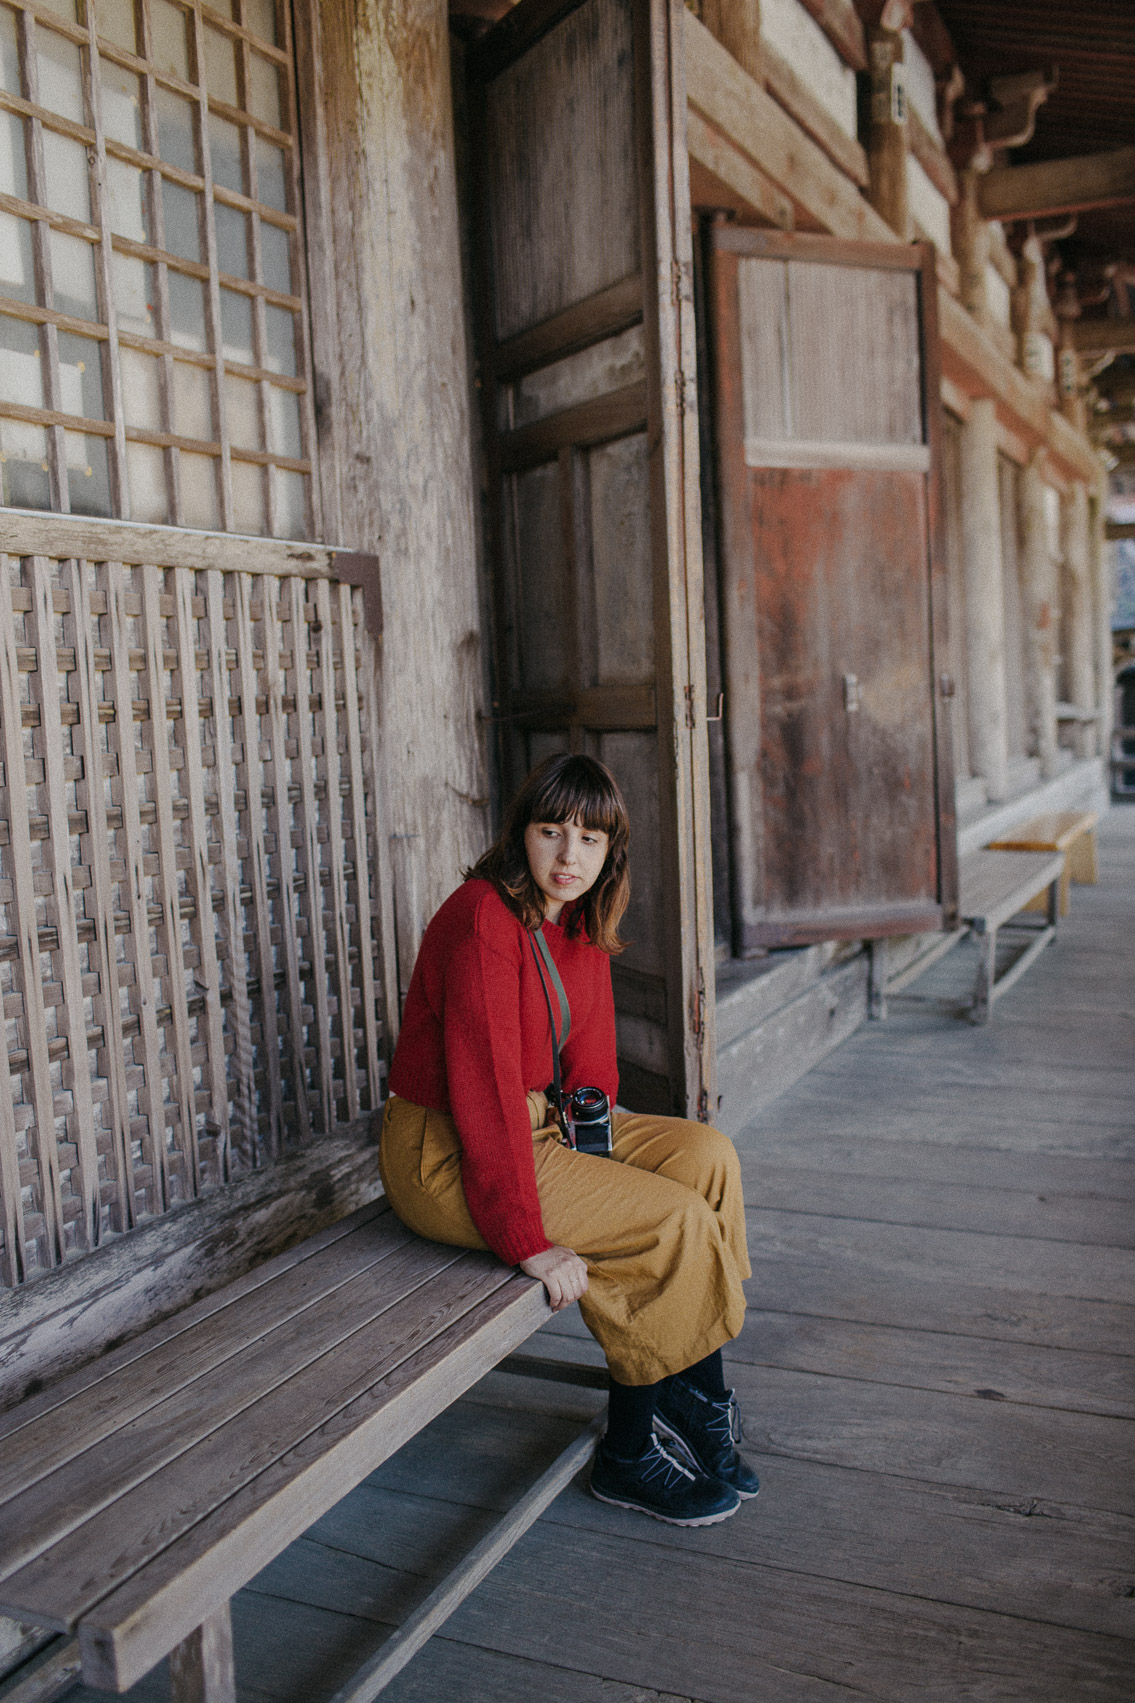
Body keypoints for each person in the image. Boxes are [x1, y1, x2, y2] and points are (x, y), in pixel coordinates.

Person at [380, 753, 757, 1526]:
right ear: (519, 834)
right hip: (447, 1152)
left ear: (610, 848)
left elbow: (588, 1062)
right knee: (669, 1219)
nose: (568, 856)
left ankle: (693, 1392)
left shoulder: (575, 914)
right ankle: (625, 1454)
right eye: (550, 832)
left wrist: (603, 1150)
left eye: (589, 838)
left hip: (541, 1124)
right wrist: (524, 1238)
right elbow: (481, 1087)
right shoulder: (483, 917)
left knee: (706, 1160)